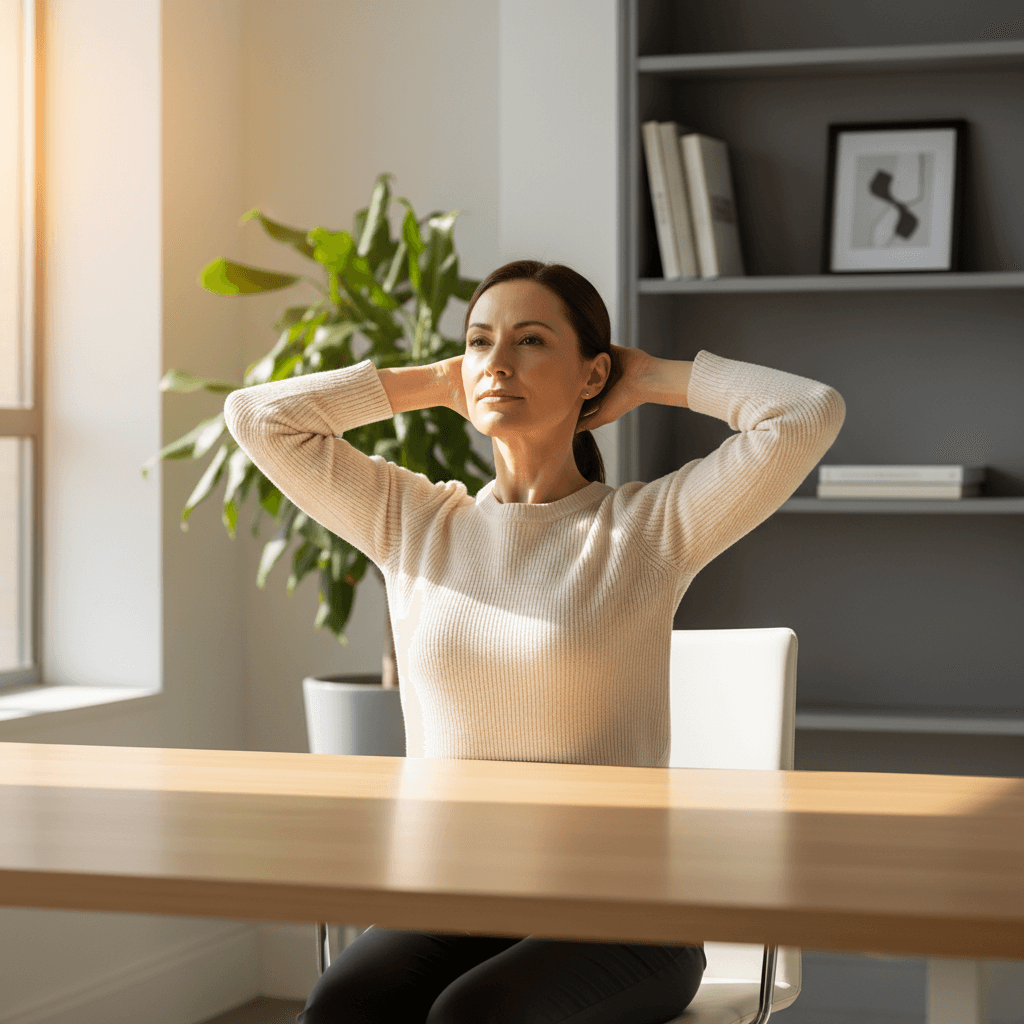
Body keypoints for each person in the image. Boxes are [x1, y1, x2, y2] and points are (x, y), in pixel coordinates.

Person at [224, 259, 846, 1024]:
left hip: (627, 914)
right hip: (458, 901)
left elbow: (807, 412)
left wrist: (649, 375)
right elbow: (258, 418)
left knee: (475, 1017)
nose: (498, 363)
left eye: (530, 341)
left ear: (592, 375)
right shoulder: (413, 522)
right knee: (341, 1007)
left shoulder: (648, 529)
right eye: (481, 342)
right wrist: (436, 381)